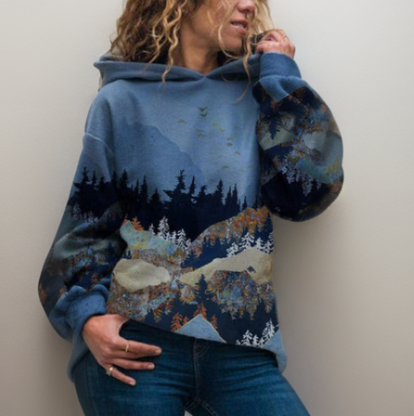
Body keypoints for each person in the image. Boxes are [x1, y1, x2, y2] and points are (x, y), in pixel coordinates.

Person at [38, 0, 344, 414]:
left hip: (240, 344)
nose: (249, 4)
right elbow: (84, 230)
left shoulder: (258, 93)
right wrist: (88, 317)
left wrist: (282, 80)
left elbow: (307, 196)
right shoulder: (119, 101)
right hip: (136, 342)